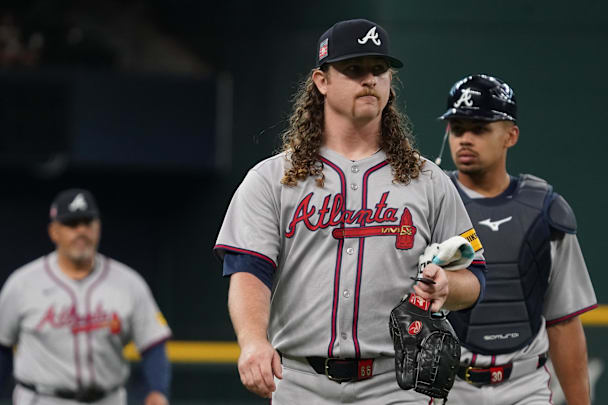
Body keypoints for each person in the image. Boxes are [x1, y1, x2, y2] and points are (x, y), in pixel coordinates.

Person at [213, 18, 486, 405]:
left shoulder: (428, 180)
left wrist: (448, 286)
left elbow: (475, 276)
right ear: (322, 81)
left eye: (379, 70)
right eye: (354, 69)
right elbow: (248, 271)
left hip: (397, 381)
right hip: (300, 379)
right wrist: (254, 342)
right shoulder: (273, 178)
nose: (369, 79)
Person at [435, 74, 598, 405]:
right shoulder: (428, 202)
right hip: (447, 385)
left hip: (525, 386)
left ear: (511, 135)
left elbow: (564, 322)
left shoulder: (544, 211)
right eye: (457, 128)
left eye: (479, 129)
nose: (465, 139)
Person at [0, 189, 172, 405]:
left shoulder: (129, 283)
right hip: (42, 398)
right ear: (54, 232)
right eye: (72, 224)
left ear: (98, 227)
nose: (81, 231)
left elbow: (153, 344)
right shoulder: (23, 283)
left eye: (88, 223)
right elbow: (3, 347)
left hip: (107, 398)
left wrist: (158, 389)